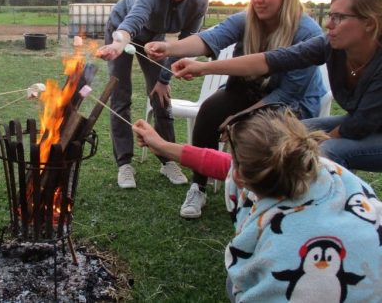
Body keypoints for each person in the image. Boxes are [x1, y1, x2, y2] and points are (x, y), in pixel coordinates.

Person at [133, 105, 382, 302]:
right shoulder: (319, 170)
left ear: (240, 178)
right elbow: (220, 163)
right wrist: (162, 145)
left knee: (233, 283)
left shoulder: (282, 251)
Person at [145, 0, 326, 218]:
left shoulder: (307, 33)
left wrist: (239, 118)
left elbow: (288, 94)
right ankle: (199, 186)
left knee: (257, 129)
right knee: (209, 112)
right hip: (248, 88)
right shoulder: (246, 19)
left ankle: (262, 194)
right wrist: (169, 48)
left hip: (291, 101)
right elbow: (210, 38)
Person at [172, 0, 382, 174]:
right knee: (279, 134)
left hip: (365, 127)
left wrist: (305, 144)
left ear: (370, 24)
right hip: (360, 123)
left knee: (326, 150)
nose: (329, 25)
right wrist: (204, 68)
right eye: (330, 15)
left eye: (339, 17)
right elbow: (273, 59)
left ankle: (328, 203)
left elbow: (358, 126)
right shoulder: (330, 45)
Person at [96, 0, 209, 189]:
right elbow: (134, 19)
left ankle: (167, 160)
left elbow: (185, 42)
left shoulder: (199, 1)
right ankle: (124, 163)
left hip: (153, 37)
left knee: (160, 95)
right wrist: (118, 44)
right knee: (121, 94)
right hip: (120, 30)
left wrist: (163, 80)